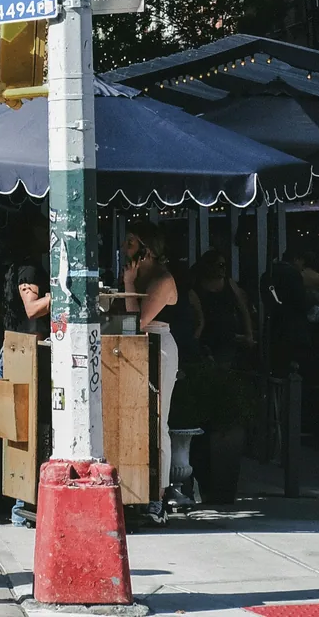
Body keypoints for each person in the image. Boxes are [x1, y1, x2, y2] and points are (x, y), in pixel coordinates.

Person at [123, 222, 179, 522]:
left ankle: (158, 492)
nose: (125, 247)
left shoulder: (161, 280)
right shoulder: (141, 277)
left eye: (131, 242)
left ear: (147, 250)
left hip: (158, 346)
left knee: (157, 420)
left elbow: (137, 322)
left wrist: (129, 285)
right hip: (135, 349)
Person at [1, 237, 50, 528]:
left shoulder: (16, 269)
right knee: (28, 431)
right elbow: (32, 309)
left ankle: (23, 506)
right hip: (25, 358)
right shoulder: (30, 271)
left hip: (19, 354)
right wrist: (61, 295)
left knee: (21, 431)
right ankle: (22, 508)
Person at [189, 249, 255, 369]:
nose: (224, 268)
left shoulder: (229, 283)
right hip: (207, 335)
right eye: (220, 265)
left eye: (225, 265)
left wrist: (248, 334)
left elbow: (243, 309)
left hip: (228, 334)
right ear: (209, 266)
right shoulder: (197, 286)